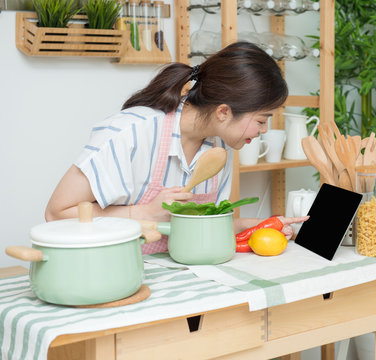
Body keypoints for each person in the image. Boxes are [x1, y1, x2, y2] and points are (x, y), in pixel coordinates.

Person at [45, 41, 308, 254]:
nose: (264, 131)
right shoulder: (131, 132)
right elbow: (56, 214)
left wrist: (260, 226)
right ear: (224, 112)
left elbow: (202, 227)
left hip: (175, 281)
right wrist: (145, 213)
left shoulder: (218, 149)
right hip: (110, 273)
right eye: (262, 120)